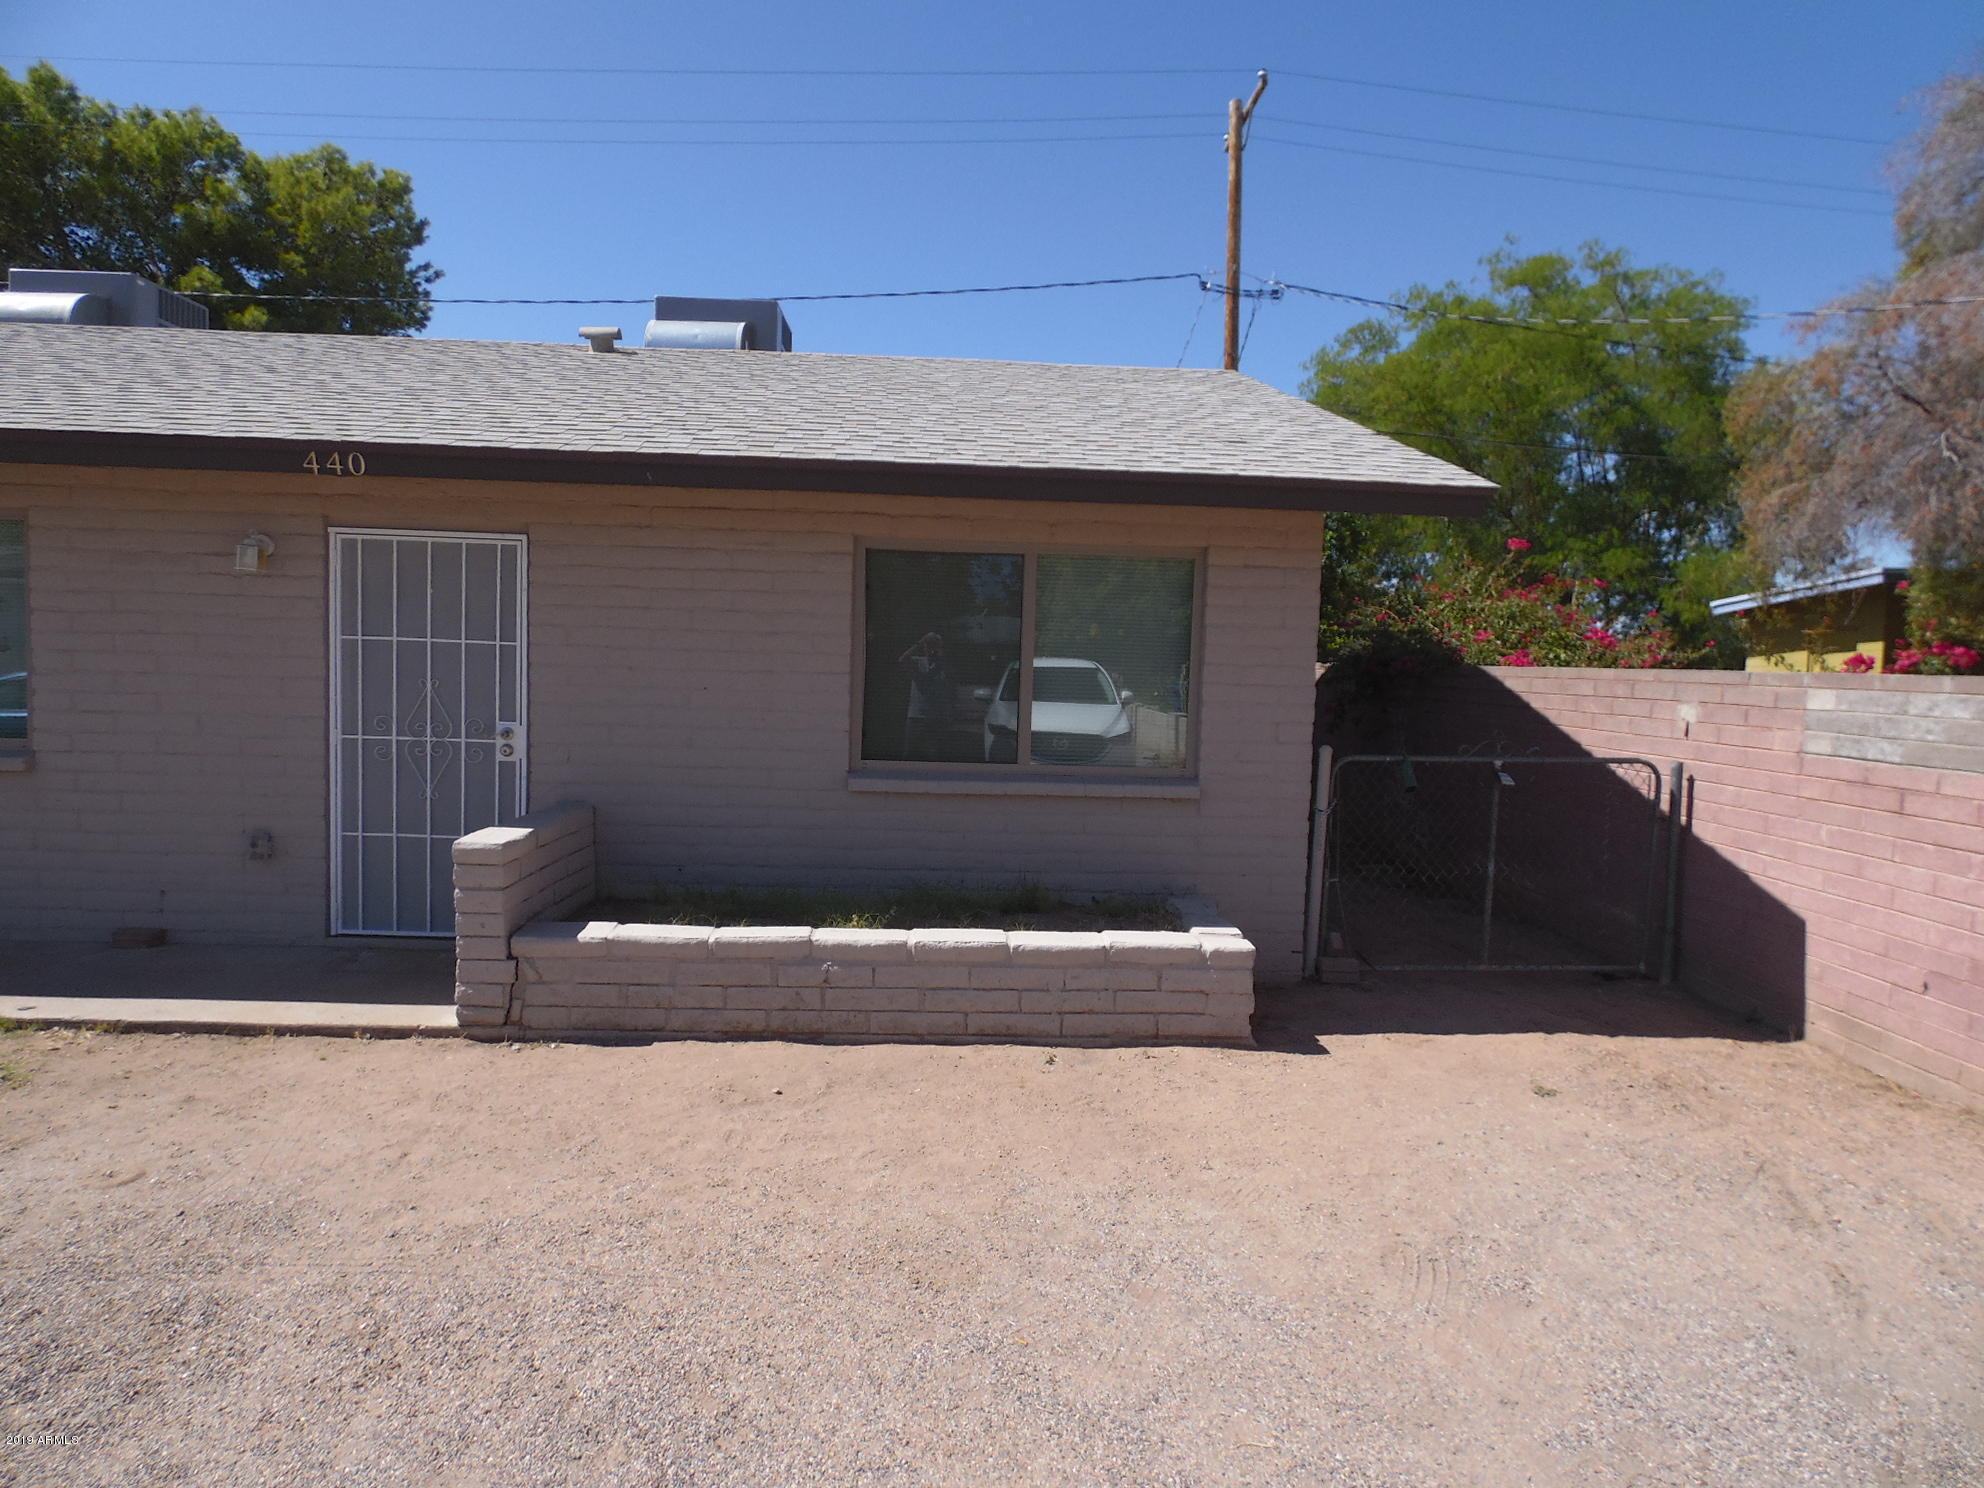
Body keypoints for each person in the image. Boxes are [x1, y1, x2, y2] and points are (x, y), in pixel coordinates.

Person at [898, 632, 951, 758]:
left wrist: (939, 651)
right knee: (909, 752)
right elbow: (902, 659)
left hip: (935, 716)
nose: (931, 648)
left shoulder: (942, 665)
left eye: (933, 645)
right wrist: (919, 643)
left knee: (934, 753)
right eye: (929, 645)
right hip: (916, 715)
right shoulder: (917, 662)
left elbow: (949, 685)